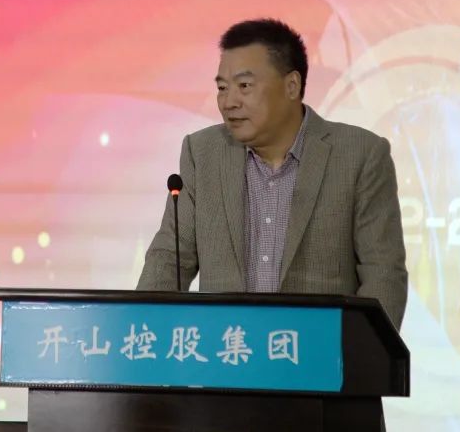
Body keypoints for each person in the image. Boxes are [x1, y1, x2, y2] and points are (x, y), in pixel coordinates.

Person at [137, 18, 408, 330]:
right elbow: (169, 259)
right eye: (222, 88)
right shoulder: (203, 153)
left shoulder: (359, 155)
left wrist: (355, 355)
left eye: (244, 86)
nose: (229, 102)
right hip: (226, 351)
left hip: (317, 354)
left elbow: (383, 274)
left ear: (291, 86)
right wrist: (142, 332)